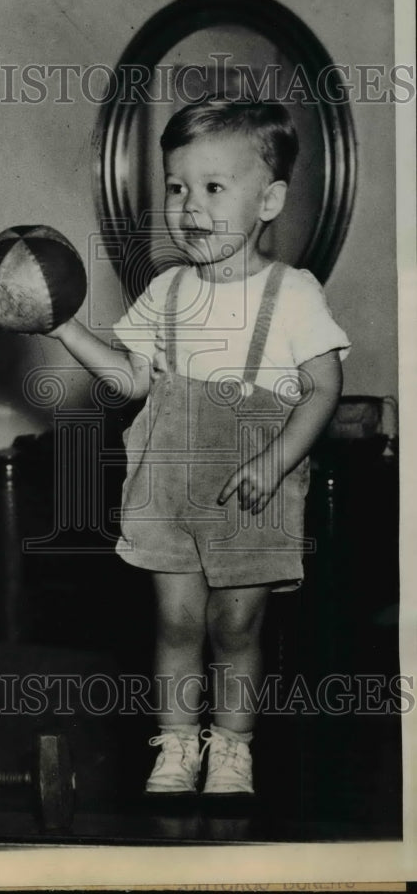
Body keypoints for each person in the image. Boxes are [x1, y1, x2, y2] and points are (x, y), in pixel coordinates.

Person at [46, 99, 350, 795]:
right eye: (178, 188)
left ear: (269, 199)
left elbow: (323, 390)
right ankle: (177, 746)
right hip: (169, 484)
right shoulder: (168, 289)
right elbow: (130, 377)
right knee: (176, 621)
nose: (190, 206)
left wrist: (274, 463)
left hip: (254, 486)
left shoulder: (293, 293)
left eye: (214, 188)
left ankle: (233, 749)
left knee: (236, 626)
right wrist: (65, 327)